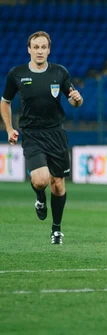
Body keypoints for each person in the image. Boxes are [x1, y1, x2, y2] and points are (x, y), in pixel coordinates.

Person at [1, 31, 83, 244]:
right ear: (29, 49)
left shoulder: (59, 72)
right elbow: (5, 102)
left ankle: (56, 229)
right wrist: (9, 129)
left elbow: (73, 101)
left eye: (43, 47)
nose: (39, 51)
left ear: (49, 49)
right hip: (32, 134)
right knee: (40, 179)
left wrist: (77, 99)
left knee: (58, 185)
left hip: (55, 134)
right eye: (35, 47)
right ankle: (39, 197)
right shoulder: (16, 74)